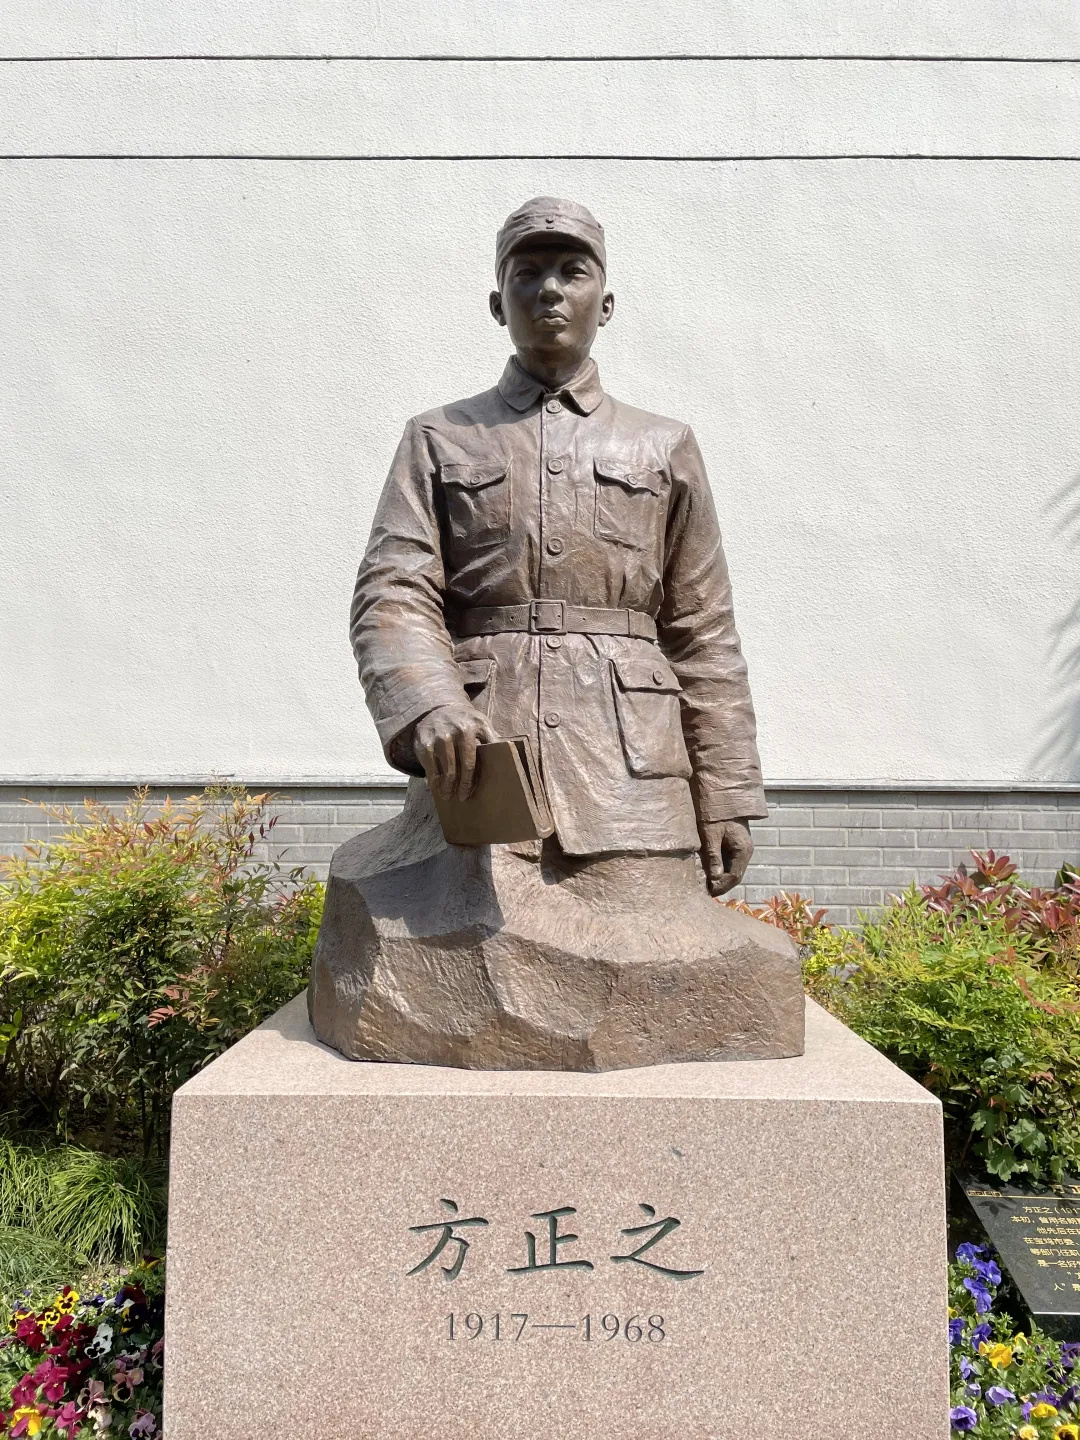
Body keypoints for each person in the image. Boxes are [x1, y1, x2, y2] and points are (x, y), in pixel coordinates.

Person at [350, 196, 768, 896]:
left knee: (653, 939)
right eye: (527, 273)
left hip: (631, 773)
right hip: (484, 759)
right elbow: (393, 593)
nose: (549, 289)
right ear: (497, 304)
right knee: (453, 924)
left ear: (606, 304)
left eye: (573, 271)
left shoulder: (663, 444)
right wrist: (429, 704)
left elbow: (704, 631)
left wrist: (727, 792)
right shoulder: (438, 438)